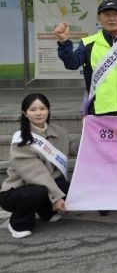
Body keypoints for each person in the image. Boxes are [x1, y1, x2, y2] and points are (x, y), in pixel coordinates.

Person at [0, 94, 79, 239]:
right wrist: (56, 197)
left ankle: (46, 212)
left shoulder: (58, 131)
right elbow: (38, 175)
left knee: (68, 188)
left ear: (48, 110)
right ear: (25, 113)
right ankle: (18, 223)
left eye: (42, 108)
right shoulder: (21, 140)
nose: (38, 113)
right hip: (18, 190)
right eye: (33, 110)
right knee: (37, 192)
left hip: (45, 184)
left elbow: (73, 147)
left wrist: (89, 135)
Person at [55, 0, 117, 116]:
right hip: (100, 110)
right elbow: (72, 64)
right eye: (107, 14)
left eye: (116, 14)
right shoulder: (88, 43)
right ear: (98, 18)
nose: (111, 18)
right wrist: (64, 42)